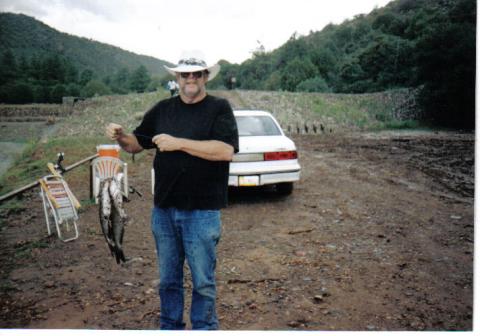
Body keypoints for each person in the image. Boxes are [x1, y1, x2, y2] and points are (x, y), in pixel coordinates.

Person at [105, 51, 238, 330]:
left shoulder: (219, 108)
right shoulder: (162, 110)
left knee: (203, 281)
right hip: (164, 211)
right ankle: (170, 328)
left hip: (202, 212)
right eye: (184, 74)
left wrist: (178, 142)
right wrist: (120, 136)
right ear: (176, 78)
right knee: (168, 281)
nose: (190, 78)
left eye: (196, 74)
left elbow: (225, 151)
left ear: (205, 78)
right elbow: (135, 144)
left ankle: (204, 328)